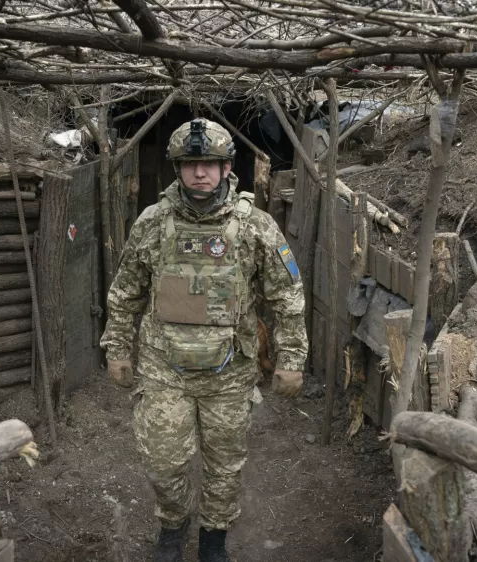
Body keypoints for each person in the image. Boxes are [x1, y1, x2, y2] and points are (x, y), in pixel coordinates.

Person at [100, 118, 309, 562]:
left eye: (210, 164)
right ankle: (173, 526)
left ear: (227, 167)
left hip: (229, 374)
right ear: (177, 168)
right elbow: (125, 293)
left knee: (224, 465)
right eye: (190, 164)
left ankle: (214, 537)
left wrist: (291, 359)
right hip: (164, 370)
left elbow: (287, 297)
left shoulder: (255, 226)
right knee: (162, 463)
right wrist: (117, 349)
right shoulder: (152, 223)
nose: (200, 172)